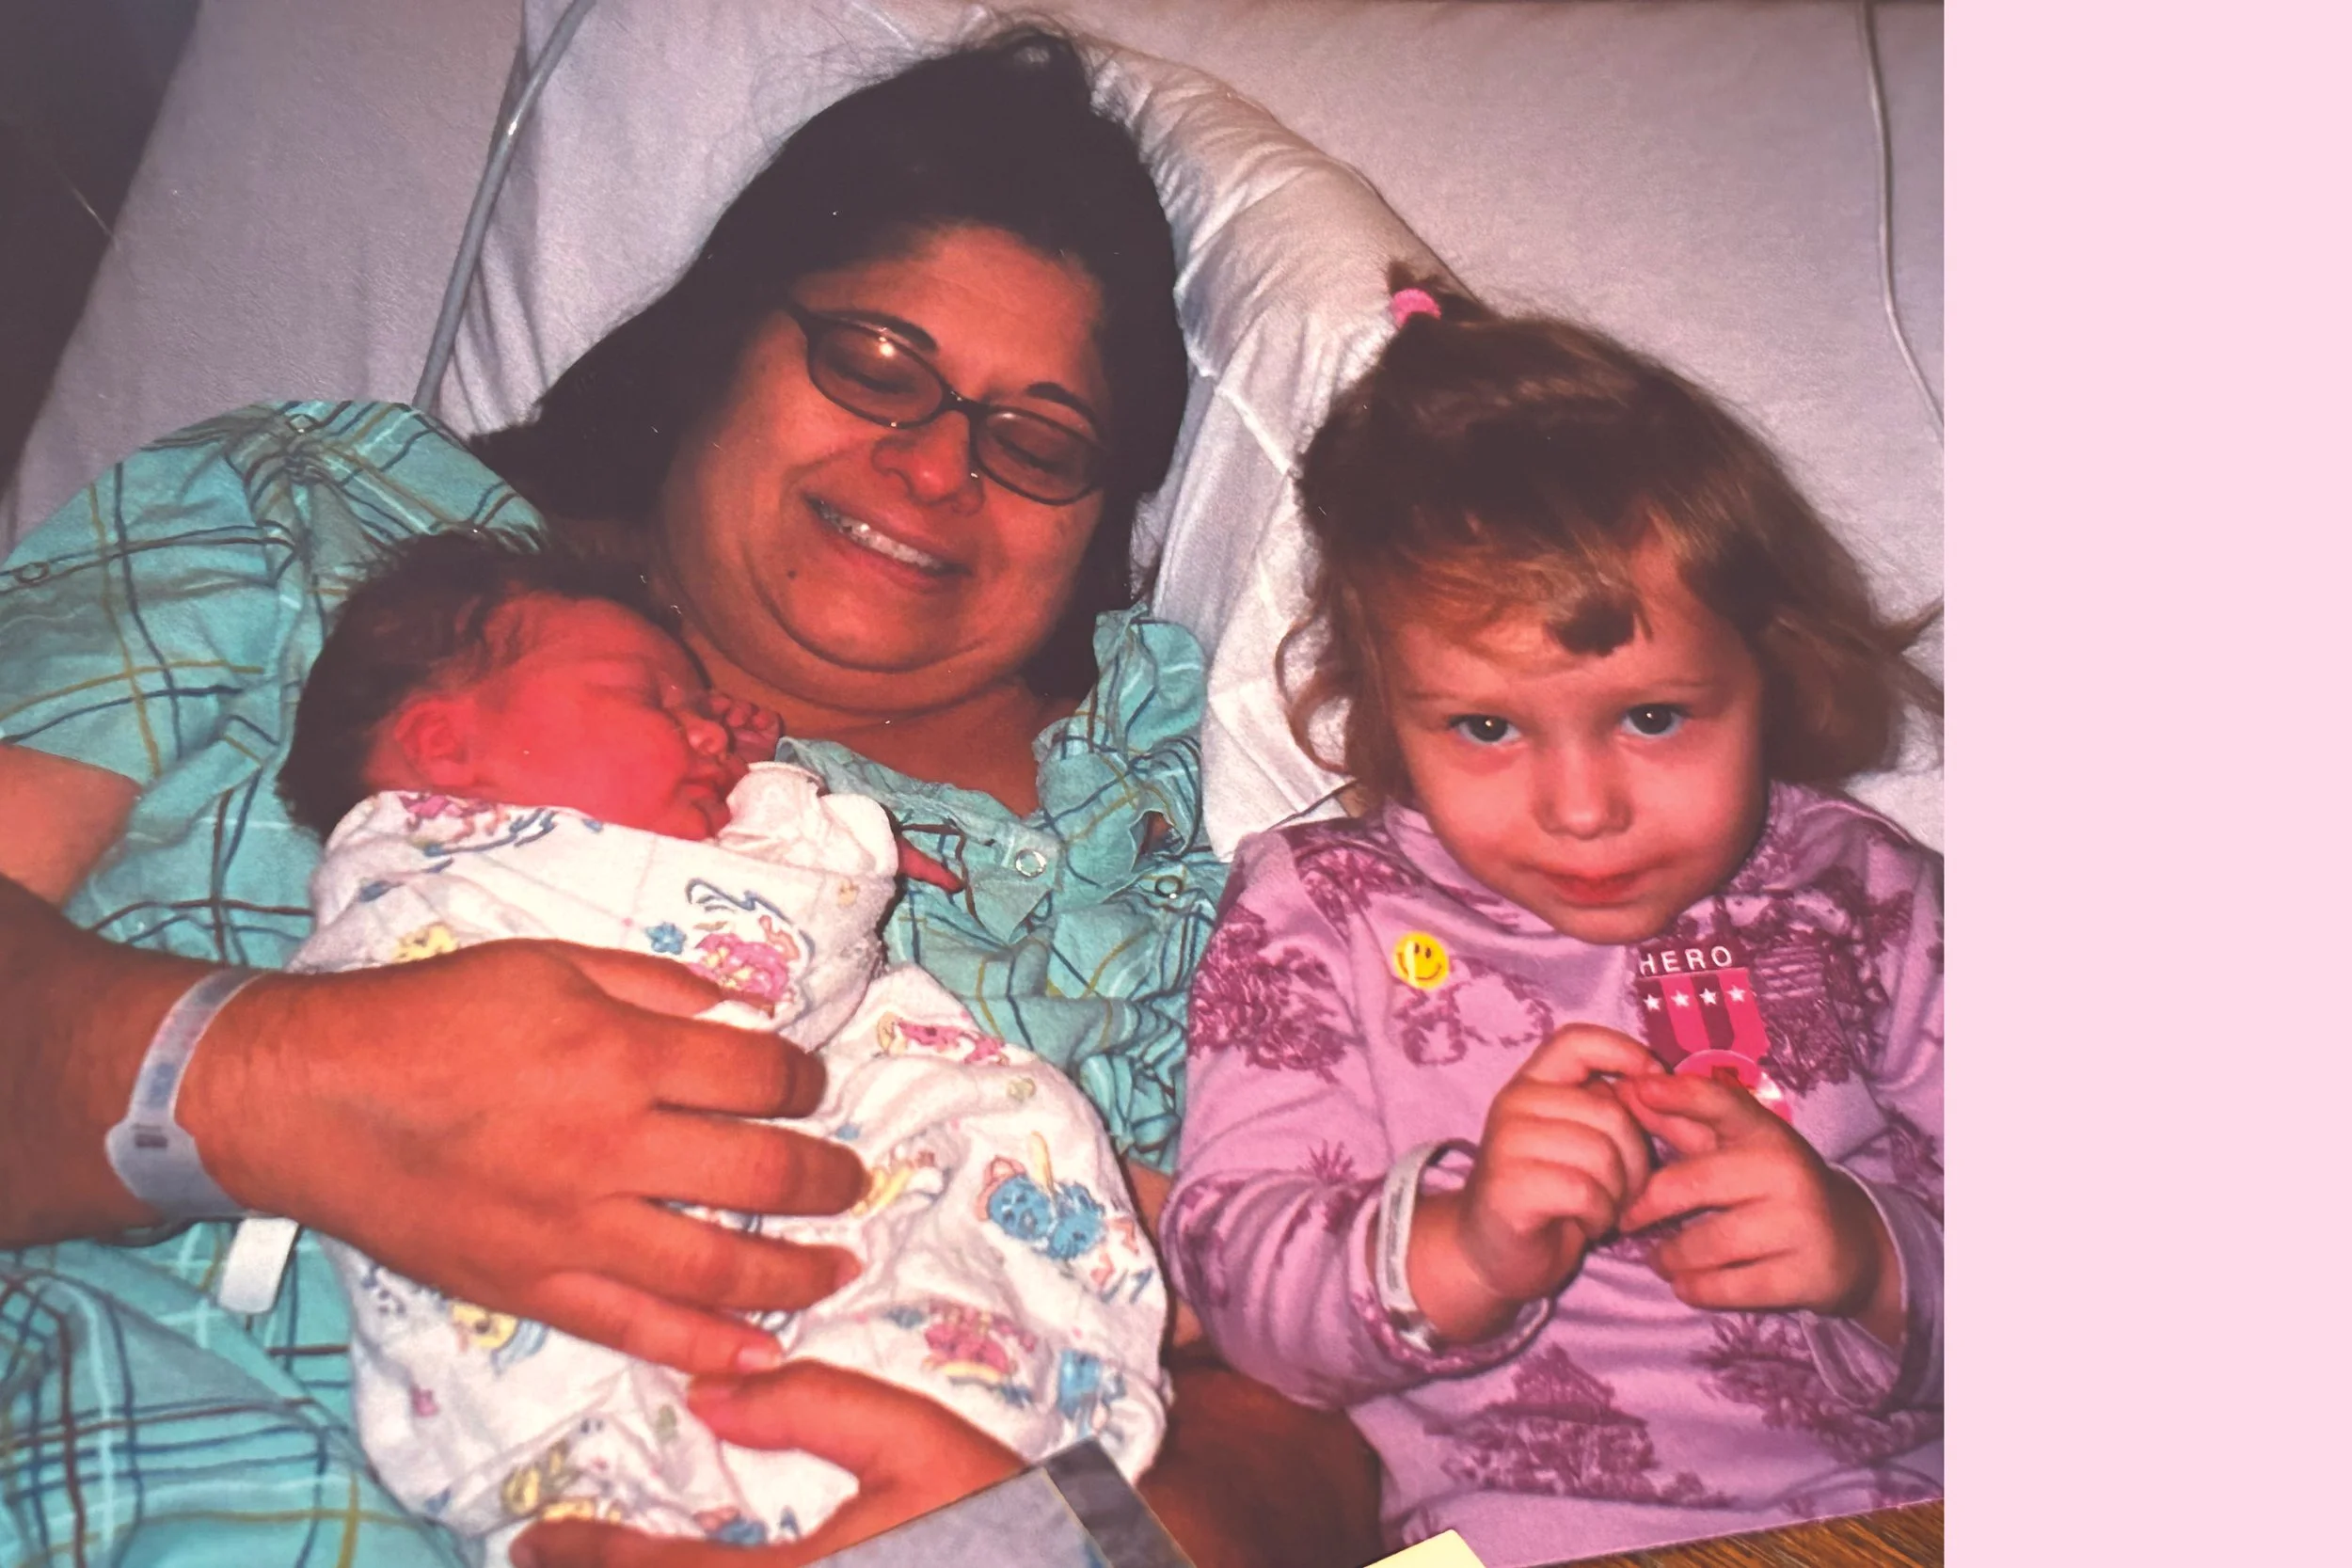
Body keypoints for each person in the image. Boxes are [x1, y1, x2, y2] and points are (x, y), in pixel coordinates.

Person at [0, 28, 1379, 1568]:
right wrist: (258, 1082)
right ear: (724, 337)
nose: (938, 468)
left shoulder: (1161, 876)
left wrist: (1077, 1536)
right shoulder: (320, 522)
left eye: (1039, 441)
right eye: (876, 363)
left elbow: (1335, 1412)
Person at [1161, 279, 1944, 1566]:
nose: (1582, 810)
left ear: (1769, 667)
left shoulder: (1865, 894)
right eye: (1484, 726)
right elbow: (1233, 1273)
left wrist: (1876, 1256)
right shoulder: (1323, 912)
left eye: (1653, 716)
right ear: (1382, 704)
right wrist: (1464, 1247)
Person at [270, 531, 1166, 1561]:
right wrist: (806, 827)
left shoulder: (606, 869)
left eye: (701, 707)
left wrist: (738, 786)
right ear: (444, 745)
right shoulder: (427, 905)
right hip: (587, 1347)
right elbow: (787, 945)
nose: (705, 729)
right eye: (651, 698)